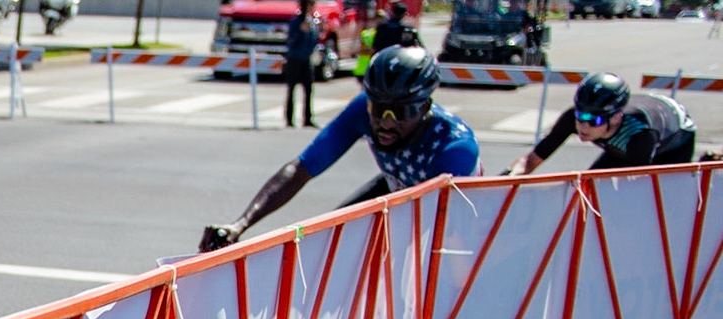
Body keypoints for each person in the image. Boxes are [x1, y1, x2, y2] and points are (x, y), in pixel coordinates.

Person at [199, 46, 479, 251]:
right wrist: (240, 224)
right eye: (378, 108)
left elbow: (441, 230)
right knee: (329, 240)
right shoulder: (361, 110)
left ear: (426, 106)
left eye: (401, 112)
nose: (386, 122)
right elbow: (302, 168)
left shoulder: (455, 147)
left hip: (455, 221)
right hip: (399, 188)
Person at [507, 72, 697, 174]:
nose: (583, 126)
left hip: (675, 141)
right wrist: (507, 179)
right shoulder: (572, 118)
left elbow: (640, 185)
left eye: (594, 120)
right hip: (621, 144)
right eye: (581, 116)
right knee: (590, 188)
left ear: (615, 117)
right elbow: (532, 160)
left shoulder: (640, 135)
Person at [284, 0, 320, 128]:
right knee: (291, 89)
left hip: (306, 59)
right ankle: (289, 119)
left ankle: (308, 118)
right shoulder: (296, 22)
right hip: (294, 59)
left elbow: (314, 40)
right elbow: (290, 41)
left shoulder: (313, 22)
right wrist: (300, 32)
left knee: (309, 89)